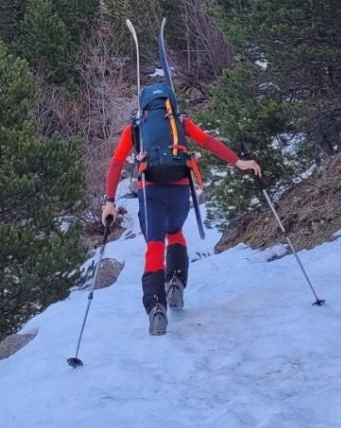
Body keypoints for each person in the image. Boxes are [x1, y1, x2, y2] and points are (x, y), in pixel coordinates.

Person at [100, 84, 260, 336]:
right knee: (174, 232)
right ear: (169, 103)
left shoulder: (135, 128)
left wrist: (109, 200)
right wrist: (239, 161)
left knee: (154, 245)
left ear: (144, 106)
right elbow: (207, 141)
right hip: (178, 189)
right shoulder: (180, 122)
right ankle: (175, 284)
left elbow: (116, 162)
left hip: (150, 189)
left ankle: (156, 310)